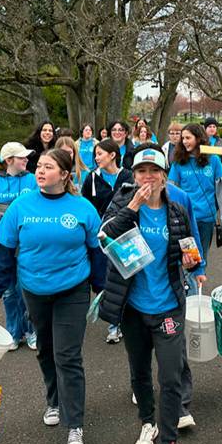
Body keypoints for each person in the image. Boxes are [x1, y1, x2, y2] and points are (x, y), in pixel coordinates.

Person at [0, 149, 105, 444]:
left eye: (48, 167)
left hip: (73, 290)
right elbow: (1, 250)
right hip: (34, 291)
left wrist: (104, 290)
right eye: (38, 167)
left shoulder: (82, 208)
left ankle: (74, 424)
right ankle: (54, 400)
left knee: (68, 354)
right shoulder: (20, 207)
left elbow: (97, 253)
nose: (39, 172)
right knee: (47, 350)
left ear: (65, 174)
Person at [99, 145, 205, 444]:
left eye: (154, 171)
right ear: (134, 175)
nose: (148, 177)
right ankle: (148, 423)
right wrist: (133, 207)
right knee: (140, 371)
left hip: (168, 306)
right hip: (133, 307)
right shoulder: (123, 202)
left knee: (171, 375)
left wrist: (192, 263)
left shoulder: (175, 211)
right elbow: (104, 238)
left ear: (164, 176)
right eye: (142, 171)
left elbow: (189, 249)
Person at [0, 142, 38, 350]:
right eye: (22, 157)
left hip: (28, 244)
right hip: (3, 245)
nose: (26, 160)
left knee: (26, 288)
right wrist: (13, 228)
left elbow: (37, 208)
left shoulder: (32, 180)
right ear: (9, 161)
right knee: (9, 291)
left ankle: (31, 330)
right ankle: (14, 332)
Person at [81, 139, 133, 345]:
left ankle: (119, 324)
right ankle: (114, 321)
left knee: (124, 276)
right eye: (95, 154)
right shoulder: (91, 178)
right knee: (106, 278)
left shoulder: (128, 176)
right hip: (99, 236)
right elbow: (85, 205)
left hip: (126, 233)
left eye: (100, 153)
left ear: (113, 154)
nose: (96, 157)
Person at [168, 123, 222, 270]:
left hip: (206, 219)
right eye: (182, 138)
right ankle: (188, 290)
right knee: (189, 259)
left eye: (188, 138)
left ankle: (197, 289)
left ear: (198, 138)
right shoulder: (178, 162)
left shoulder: (214, 160)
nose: (184, 141)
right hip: (186, 220)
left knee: (202, 258)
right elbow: (171, 189)